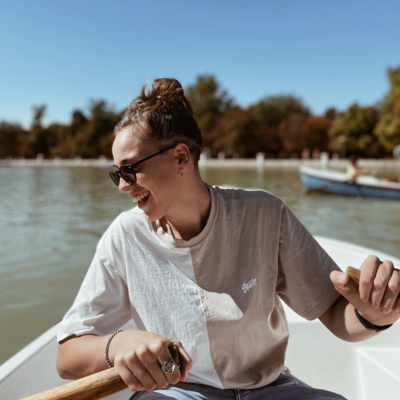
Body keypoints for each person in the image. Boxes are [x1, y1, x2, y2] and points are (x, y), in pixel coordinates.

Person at [56, 78, 400, 400]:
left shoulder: (265, 214)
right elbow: (66, 356)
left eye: (130, 169)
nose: (122, 185)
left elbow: (339, 317)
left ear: (180, 157)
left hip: (270, 388)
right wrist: (119, 344)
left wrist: (375, 315)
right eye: (117, 173)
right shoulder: (125, 236)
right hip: (178, 392)